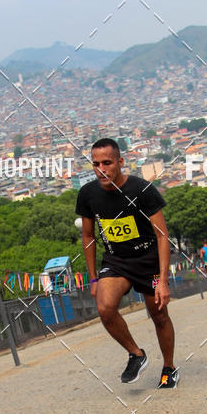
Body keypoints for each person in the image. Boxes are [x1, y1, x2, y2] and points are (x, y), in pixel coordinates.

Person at [76, 137, 179, 388]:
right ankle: (136, 354)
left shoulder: (142, 190)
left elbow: (162, 235)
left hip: (148, 261)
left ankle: (169, 368)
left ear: (120, 162)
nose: (101, 168)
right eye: (96, 163)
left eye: (107, 162)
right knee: (105, 307)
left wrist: (163, 281)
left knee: (159, 316)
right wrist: (92, 278)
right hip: (117, 260)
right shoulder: (88, 194)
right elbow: (88, 237)